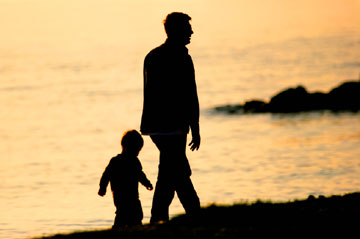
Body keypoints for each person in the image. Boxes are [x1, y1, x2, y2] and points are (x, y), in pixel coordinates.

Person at [140, 12, 201, 223]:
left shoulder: (152, 56)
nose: (191, 32)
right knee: (179, 172)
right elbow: (190, 95)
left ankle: (159, 218)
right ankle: (195, 215)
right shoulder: (182, 58)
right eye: (187, 28)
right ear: (177, 30)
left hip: (155, 127)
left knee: (169, 172)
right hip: (174, 125)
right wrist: (195, 127)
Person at [98, 130, 153, 228]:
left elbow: (105, 176)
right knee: (129, 217)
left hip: (125, 200)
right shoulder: (131, 162)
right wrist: (102, 188)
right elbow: (140, 175)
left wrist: (103, 188)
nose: (137, 153)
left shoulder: (115, 161)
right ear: (128, 147)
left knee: (124, 217)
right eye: (137, 150)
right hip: (128, 200)